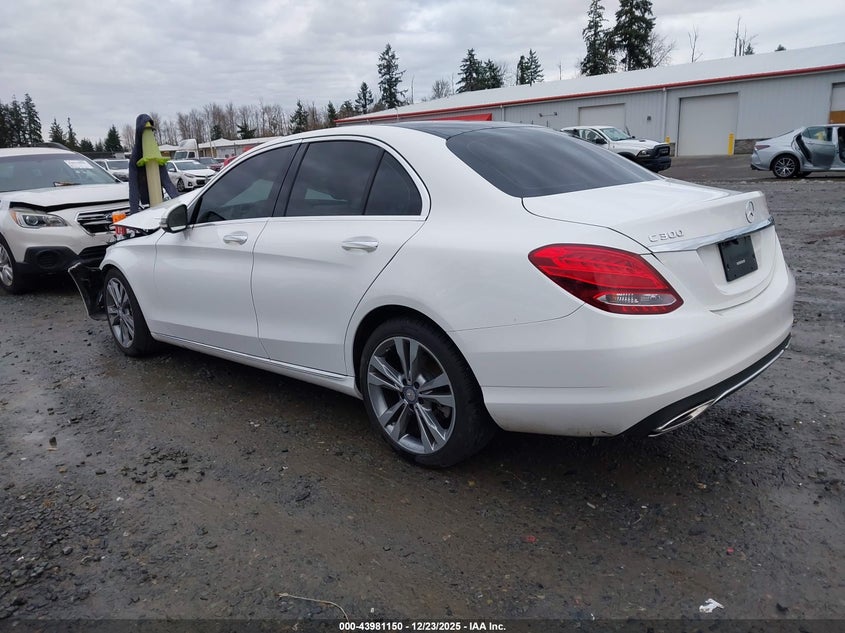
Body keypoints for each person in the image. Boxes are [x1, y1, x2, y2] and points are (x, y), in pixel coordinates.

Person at [127, 114, 179, 214]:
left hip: (159, 202)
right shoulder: (135, 159)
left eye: (150, 130)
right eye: (145, 130)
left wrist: (180, 203)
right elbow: (133, 189)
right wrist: (134, 214)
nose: (148, 133)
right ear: (139, 132)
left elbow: (167, 183)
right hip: (145, 206)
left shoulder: (155, 155)